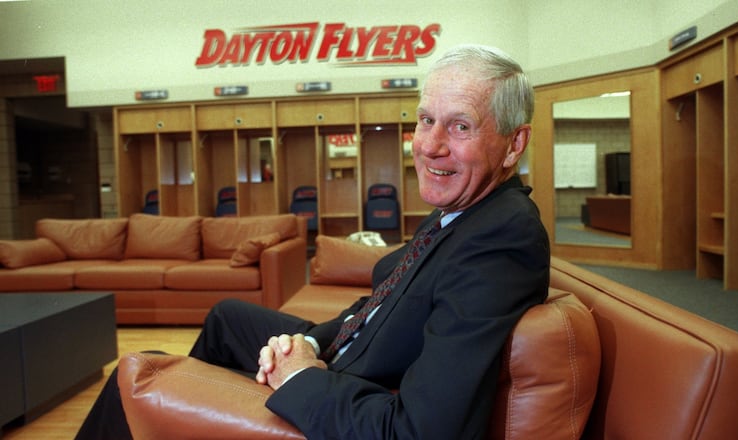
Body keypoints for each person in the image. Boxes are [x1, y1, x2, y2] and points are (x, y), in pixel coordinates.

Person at [77, 43, 549, 439]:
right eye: (426, 120)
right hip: (344, 356)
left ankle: (194, 409)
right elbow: (377, 307)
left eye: (460, 126)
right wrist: (302, 342)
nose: (429, 145)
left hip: (348, 397)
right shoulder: (461, 211)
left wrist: (300, 374)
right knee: (227, 317)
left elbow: (419, 430)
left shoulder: (500, 237)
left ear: (514, 143)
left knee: (135, 376)